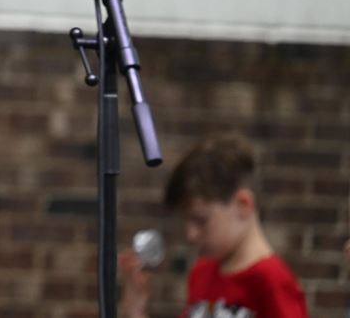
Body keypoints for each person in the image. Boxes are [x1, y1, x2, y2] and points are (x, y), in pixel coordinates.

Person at [120, 133, 308, 318]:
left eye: (201, 220)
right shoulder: (202, 272)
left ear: (243, 204)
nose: (191, 234)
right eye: (187, 221)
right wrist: (135, 311)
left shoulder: (272, 281)